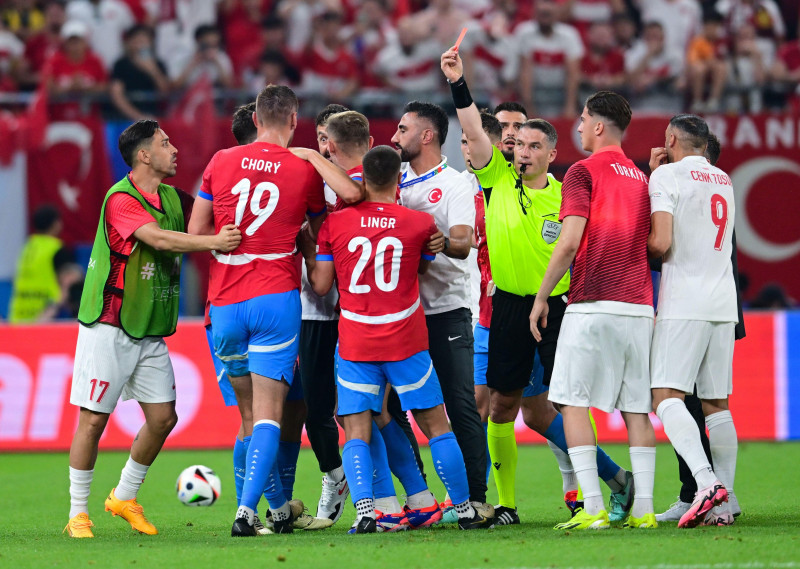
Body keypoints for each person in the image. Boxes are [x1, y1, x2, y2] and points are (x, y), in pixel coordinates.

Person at [442, 50, 632, 526]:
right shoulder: (496, 180)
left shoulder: (568, 189)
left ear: (549, 152)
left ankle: (593, 496)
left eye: (530, 145)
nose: (520, 151)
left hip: (558, 309)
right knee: (504, 407)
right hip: (507, 307)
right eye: (515, 144)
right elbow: (470, 127)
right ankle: (506, 504)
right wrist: (458, 82)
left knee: (563, 402)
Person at [64, 120, 241, 538]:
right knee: (92, 421)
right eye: (165, 143)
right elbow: (159, 240)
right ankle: (76, 513)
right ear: (144, 155)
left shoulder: (170, 197)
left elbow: (208, 209)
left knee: (163, 418)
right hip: (109, 324)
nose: (174, 149)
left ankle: (123, 496)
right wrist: (215, 241)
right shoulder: (120, 199)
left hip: (149, 329)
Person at [304, 145, 492, 532]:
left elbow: (321, 285)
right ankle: (465, 508)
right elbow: (422, 269)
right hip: (406, 339)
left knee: (356, 429)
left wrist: (311, 248)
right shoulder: (418, 224)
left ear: (363, 179)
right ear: (398, 180)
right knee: (436, 425)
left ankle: (369, 512)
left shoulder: (334, 225)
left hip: (356, 341)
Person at [187, 85, 339, 537]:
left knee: (248, 416)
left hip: (225, 302)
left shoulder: (219, 161)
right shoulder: (303, 171)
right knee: (271, 413)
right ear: (294, 121)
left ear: (254, 119)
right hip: (275, 298)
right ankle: (247, 513)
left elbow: (198, 231)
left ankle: (271, 510)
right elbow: (318, 239)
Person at [530, 91, 657, 531]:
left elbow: (568, 242)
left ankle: (593, 506)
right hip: (639, 305)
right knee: (638, 409)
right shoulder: (642, 179)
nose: (579, 127)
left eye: (583, 119)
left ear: (599, 126)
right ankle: (644, 512)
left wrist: (542, 296)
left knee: (570, 402)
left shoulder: (582, 172)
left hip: (592, 302)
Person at [391, 100, 493, 519]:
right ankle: (420, 496)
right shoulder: (391, 179)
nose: (394, 137)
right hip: (400, 311)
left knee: (459, 404)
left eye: (402, 130)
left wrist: (437, 241)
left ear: (426, 136)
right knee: (391, 408)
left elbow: (464, 240)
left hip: (446, 309)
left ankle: (476, 498)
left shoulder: (454, 184)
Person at [647, 114, 739, 528]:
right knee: (715, 402)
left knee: (665, 397)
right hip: (723, 301)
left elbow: (662, 242)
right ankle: (726, 502)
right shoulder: (724, 180)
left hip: (684, 300)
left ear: (670, 139)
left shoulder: (666, 177)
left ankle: (704, 484)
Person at [8, 204, 70, 323]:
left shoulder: (27, 246)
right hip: (45, 317)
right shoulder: (56, 248)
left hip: (17, 316)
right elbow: (68, 285)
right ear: (55, 224)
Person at [109, 24, 170, 120]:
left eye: (144, 41)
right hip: (125, 118)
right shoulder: (121, 64)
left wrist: (152, 70)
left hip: (154, 116)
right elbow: (116, 93)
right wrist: (138, 117)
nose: (140, 45)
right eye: (137, 41)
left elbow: (165, 91)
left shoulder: (158, 64)